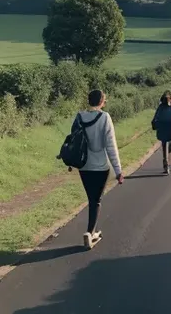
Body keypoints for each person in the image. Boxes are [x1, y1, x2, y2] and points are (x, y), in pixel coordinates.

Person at [72, 89, 123, 250]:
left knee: (91, 198)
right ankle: (90, 232)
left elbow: (73, 141)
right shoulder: (105, 117)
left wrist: (71, 162)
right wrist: (119, 170)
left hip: (84, 166)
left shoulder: (79, 117)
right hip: (101, 167)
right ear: (101, 101)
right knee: (96, 200)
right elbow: (111, 146)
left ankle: (91, 230)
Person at [153, 92, 171, 174]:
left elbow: (155, 117)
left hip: (163, 128)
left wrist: (154, 124)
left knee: (165, 145)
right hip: (169, 128)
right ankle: (167, 164)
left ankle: (166, 165)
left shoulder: (161, 107)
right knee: (167, 145)